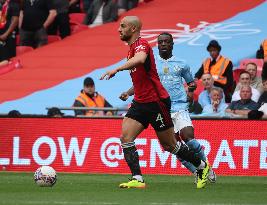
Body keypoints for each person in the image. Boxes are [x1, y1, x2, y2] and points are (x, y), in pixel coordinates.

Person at [100, 16, 210, 189]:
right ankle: (137, 178)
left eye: (122, 26)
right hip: (140, 102)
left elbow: (141, 59)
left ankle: (202, 166)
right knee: (125, 137)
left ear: (133, 29)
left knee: (170, 146)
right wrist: (129, 93)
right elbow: (141, 78)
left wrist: (117, 68)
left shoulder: (142, 44)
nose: (118, 29)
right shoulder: (130, 49)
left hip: (155, 102)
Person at [154, 32, 216, 183]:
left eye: (166, 42)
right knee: (174, 146)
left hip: (179, 106)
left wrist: (191, 90)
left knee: (188, 137)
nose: (163, 44)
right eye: (160, 42)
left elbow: (191, 82)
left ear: (172, 44)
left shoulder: (182, 63)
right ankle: (196, 172)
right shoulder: (152, 64)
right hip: (161, 110)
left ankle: (206, 166)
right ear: (157, 44)